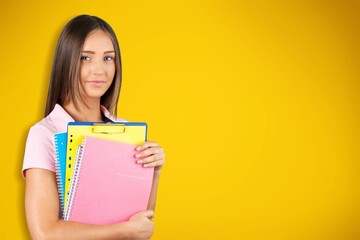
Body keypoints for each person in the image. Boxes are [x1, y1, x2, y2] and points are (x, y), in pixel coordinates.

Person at [22, 14, 165, 240]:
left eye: (108, 58)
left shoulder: (127, 131)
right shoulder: (45, 134)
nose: (99, 70)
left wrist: (154, 172)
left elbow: (141, 225)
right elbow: (45, 234)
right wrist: (124, 231)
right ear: (66, 61)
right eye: (85, 58)